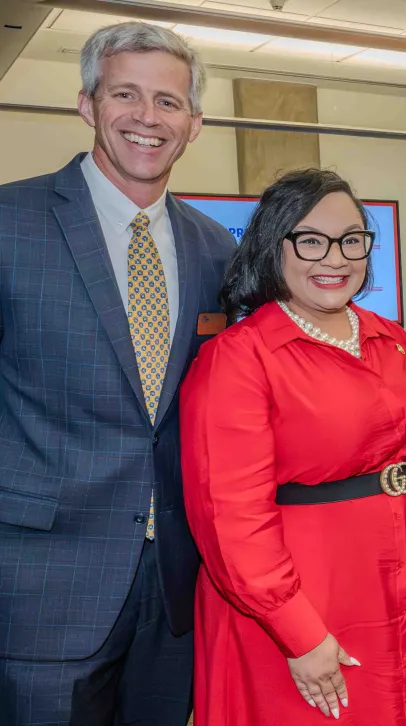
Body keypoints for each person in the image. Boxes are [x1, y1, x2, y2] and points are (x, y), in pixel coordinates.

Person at [0, 22, 235, 725]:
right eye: (125, 94)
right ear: (87, 104)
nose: (147, 117)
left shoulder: (214, 248)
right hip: (40, 586)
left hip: (172, 596)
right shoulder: (10, 223)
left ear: (194, 123)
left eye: (169, 102)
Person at [179, 168, 406, 725]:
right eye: (311, 240)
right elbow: (230, 517)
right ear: (272, 246)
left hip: (405, 582)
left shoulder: (389, 336)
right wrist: (299, 633)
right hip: (303, 598)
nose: (335, 258)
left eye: (352, 239)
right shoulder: (240, 357)